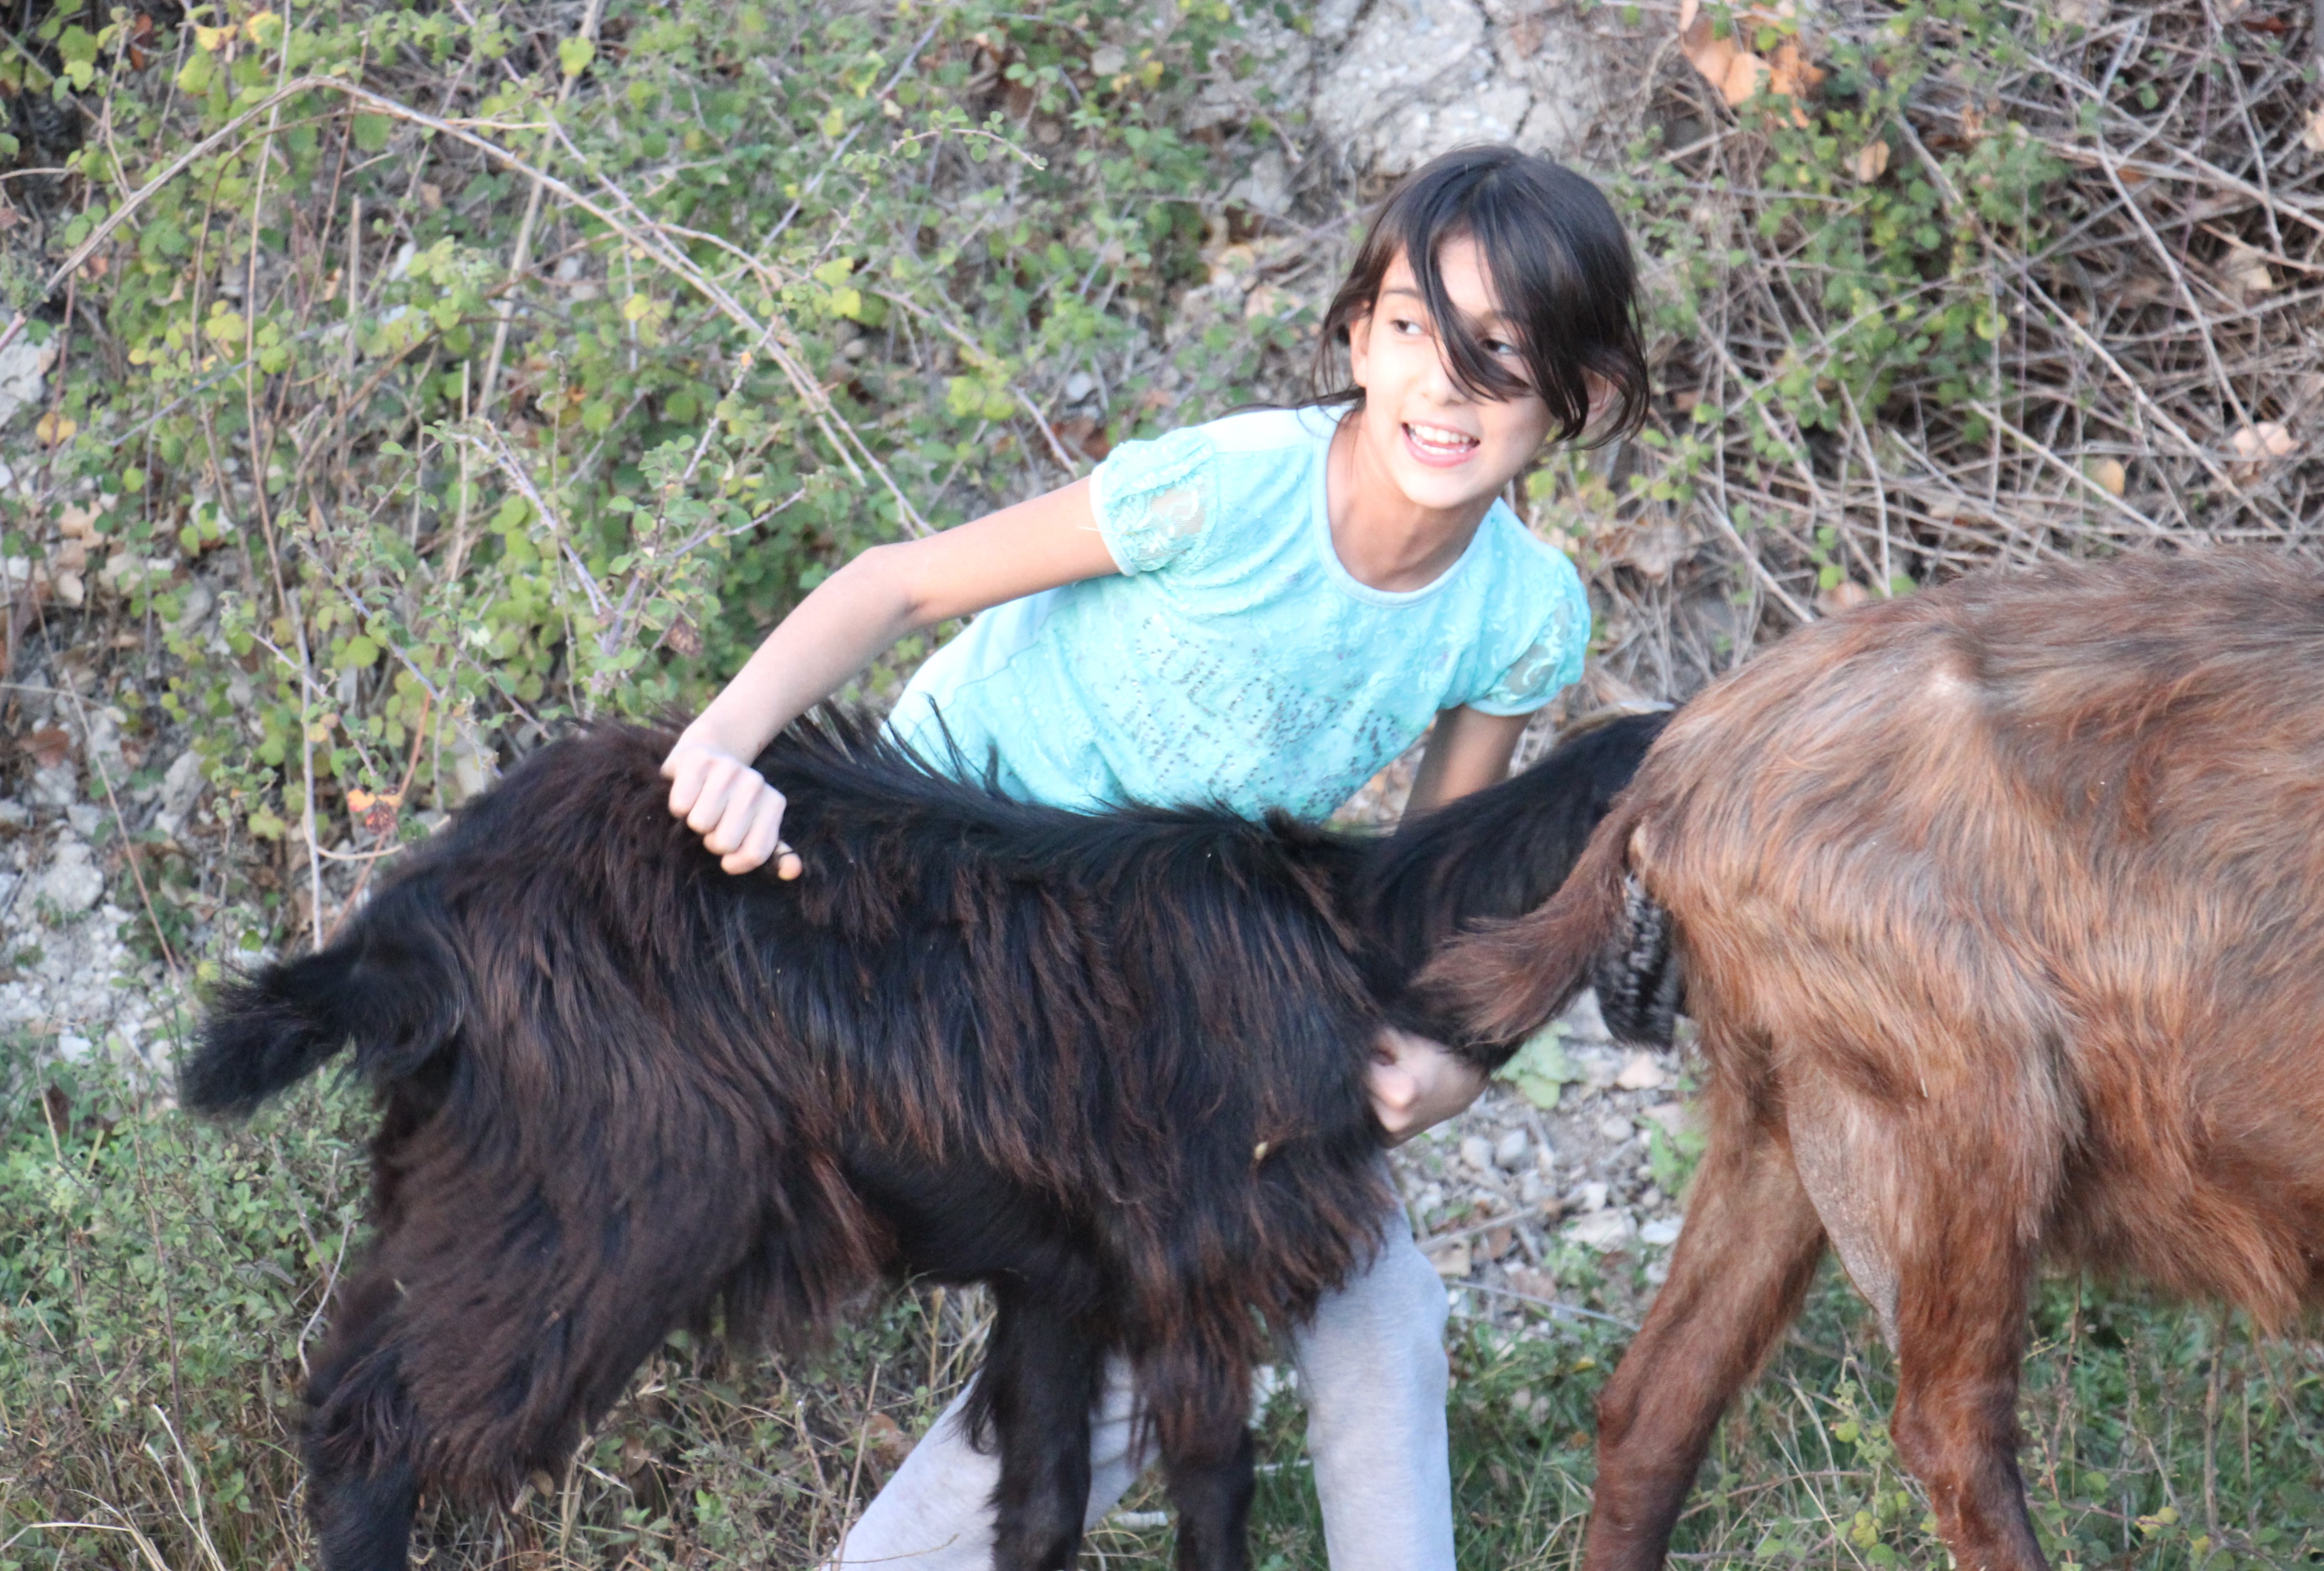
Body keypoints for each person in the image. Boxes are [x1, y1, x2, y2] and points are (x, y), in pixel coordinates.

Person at [662, 144, 1650, 1569]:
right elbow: (900, 579)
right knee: (1160, 1287)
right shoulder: (1227, 493)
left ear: (1586, 395)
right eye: (1413, 332)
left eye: (1502, 353)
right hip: (947, 914)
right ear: (1359, 339)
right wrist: (722, 747)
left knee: (1374, 1303)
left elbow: (1423, 899)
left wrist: (1453, 1063)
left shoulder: (1519, 615)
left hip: (1172, 964)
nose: (1447, 388)